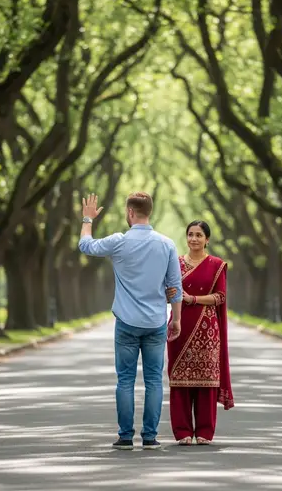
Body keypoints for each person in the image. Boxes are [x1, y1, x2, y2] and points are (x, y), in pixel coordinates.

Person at [78, 192, 183, 451]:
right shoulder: (166, 244)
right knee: (154, 381)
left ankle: (125, 437)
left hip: (126, 321)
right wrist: (176, 319)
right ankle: (150, 437)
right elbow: (175, 286)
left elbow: (85, 246)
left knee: (125, 380)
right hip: (156, 322)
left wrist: (87, 218)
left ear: (130, 212)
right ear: (149, 212)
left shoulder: (118, 242)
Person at [166, 220, 234, 446]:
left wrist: (193, 299)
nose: (194, 239)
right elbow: (167, 291)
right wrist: (172, 295)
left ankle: (205, 430)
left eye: (198, 235)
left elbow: (220, 297)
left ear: (207, 239)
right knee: (180, 381)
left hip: (207, 330)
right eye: (190, 234)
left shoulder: (216, 265)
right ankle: (182, 431)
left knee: (206, 381)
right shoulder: (175, 264)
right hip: (179, 327)